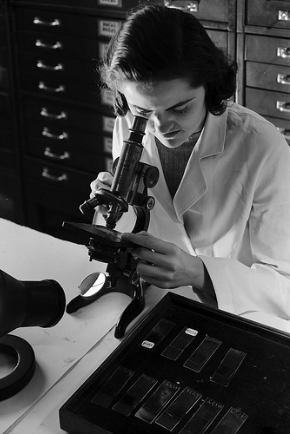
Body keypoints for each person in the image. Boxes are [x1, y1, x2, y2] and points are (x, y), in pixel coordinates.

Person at [89, 5, 290, 326]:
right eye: (143, 111)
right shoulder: (130, 122)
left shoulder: (264, 147)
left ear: (210, 86)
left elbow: (286, 290)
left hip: (238, 313)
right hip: (156, 301)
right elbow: (139, 226)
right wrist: (116, 201)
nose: (159, 126)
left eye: (180, 109)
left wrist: (200, 273)